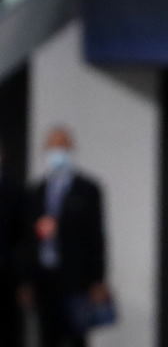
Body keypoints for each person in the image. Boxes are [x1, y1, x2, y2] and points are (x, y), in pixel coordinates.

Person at [22, 127, 109, 347]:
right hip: (44, 277)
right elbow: (28, 240)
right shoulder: (37, 190)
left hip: (76, 278)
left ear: (71, 149)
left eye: (62, 146)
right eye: (52, 146)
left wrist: (98, 279)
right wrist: (26, 280)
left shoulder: (87, 189)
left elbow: (96, 236)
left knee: (77, 336)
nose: (57, 152)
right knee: (47, 336)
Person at [0, 142, 25, 347]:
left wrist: (23, 280)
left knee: (8, 331)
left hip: (7, 278)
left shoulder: (15, 191)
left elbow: (22, 238)